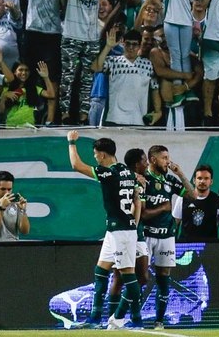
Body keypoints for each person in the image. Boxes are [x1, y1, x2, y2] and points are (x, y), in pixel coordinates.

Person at [66, 131, 143, 330]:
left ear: (101, 154)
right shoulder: (127, 171)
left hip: (121, 231)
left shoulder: (108, 172)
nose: (95, 158)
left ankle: (132, 319)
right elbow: (136, 198)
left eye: (95, 154)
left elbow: (76, 165)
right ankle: (95, 317)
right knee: (101, 271)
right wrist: (133, 222)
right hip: (116, 229)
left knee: (128, 275)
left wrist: (72, 142)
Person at [141, 144, 195, 330]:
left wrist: (180, 174)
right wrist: (162, 208)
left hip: (166, 236)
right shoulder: (143, 179)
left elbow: (192, 195)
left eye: (168, 157)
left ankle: (159, 321)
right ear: (153, 159)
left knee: (164, 276)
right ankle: (133, 316)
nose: (168, 161)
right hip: (146, 234)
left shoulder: (170, 180)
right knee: (140, 277)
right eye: (164, 158)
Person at [106, 148, 150, 322]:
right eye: (144, 160)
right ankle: (119, 318)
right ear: (137, 164)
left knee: (142, 277)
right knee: (119, 277)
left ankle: (120, 315)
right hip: (126, 232)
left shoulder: (141, 180)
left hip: (137, 234)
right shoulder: (127, 180)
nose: (146, 163)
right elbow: (140, 208)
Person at [173, 164, 219, 240]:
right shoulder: (182, 198)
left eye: (206, 178)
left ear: (211, 181)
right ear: (194, 180)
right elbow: (174, 225)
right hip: (185, 247)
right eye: (199, 178)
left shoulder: (218, 200)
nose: (202, 181)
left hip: (209, 248)